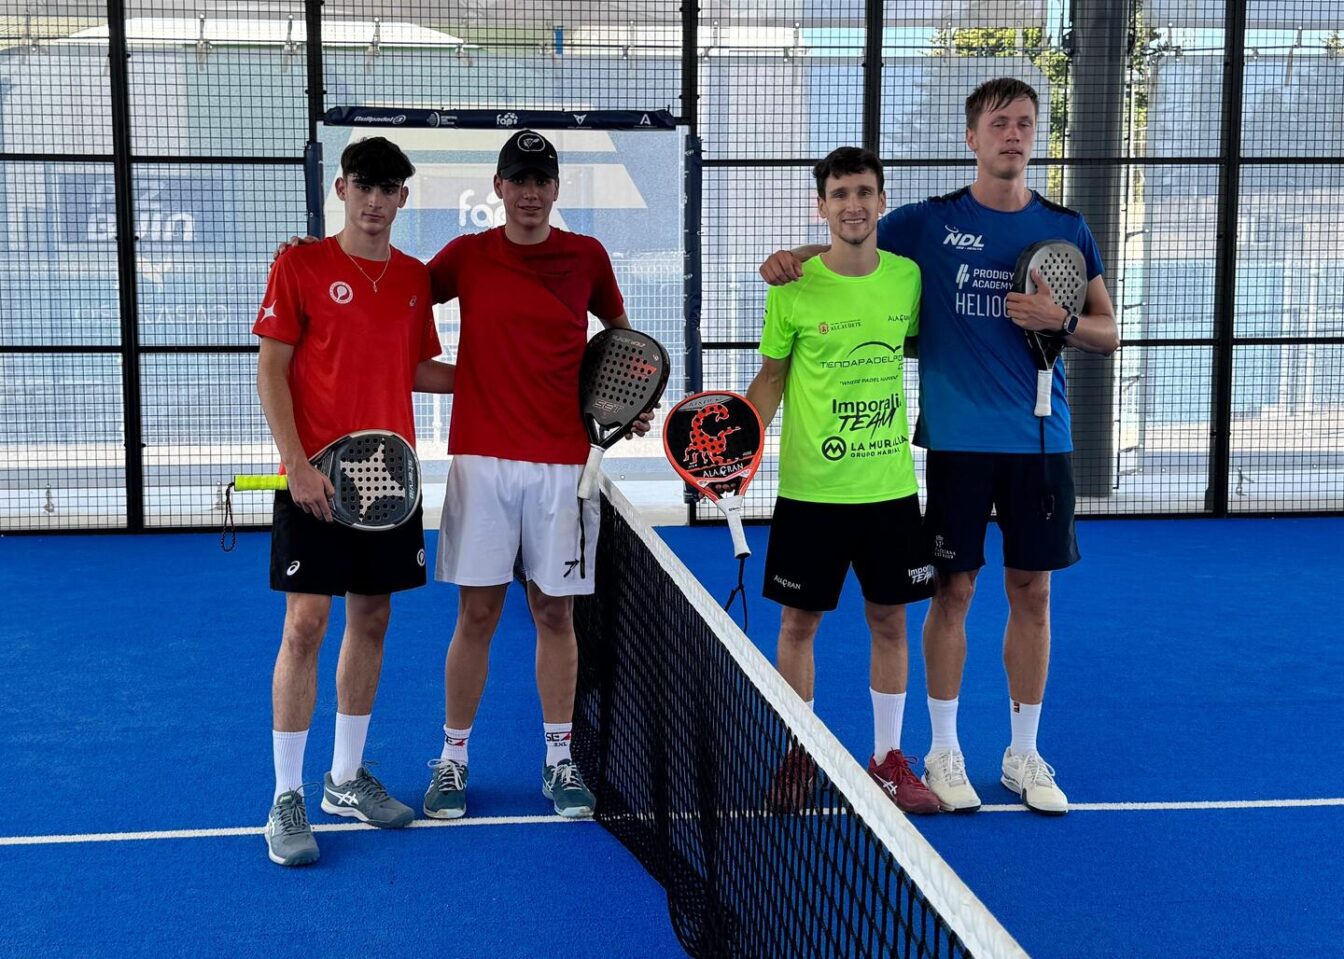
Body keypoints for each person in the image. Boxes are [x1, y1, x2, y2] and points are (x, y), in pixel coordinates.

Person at [759, 79, 1119, 815]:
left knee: (1034, 593)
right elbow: (847, 244)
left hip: (1040, 440)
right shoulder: (927, 224)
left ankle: (1022, 753)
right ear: (973, 138)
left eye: (1025, 123)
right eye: (999, 123)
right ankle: (943, 750)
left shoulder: (1069, 227)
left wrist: (1061, 318)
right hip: (954, 443)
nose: (1013, 135)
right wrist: (793, 255)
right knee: (952, 593)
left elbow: (1108, 331)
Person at [420, 130, 651, 821]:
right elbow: (398, 304)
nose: (529, 192)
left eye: (541, 180)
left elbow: (622, 339)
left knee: (555, 612)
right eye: (517, 180)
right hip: (483, 462)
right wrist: (464, 379)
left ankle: (560, 760)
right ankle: (453, 759)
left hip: (563, 466)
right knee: (479, 613)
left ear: (556, 189)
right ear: (498, 186)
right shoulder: (465, 256)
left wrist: (629, 400)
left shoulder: (586, 256)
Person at [255, 137, 455, 866]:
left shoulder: (411, 279)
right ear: (341, 189)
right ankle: (286, 796)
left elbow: (418, 368)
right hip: (314, 480)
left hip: (389, 482)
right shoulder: (300, 264)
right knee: (306, 624)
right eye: (364, 186)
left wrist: (498, 373)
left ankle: (345, 778)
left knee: (372, 616)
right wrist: (298, 466)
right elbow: (271, 370)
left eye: (389, 188)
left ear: (403, 196)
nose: (376, 200)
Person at [747, 146, 941, 816]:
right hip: (810, 492)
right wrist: (740, 446)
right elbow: (771, 379)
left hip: (888, 490)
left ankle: (888, 759)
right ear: (821, 205)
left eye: (864, 192)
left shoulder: (909, 279)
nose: (852, 205)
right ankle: (799, 754)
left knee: (890, 621)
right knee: (798, 623)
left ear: (881, 201)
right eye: (839, 194)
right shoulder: (792, 288)